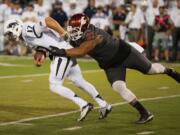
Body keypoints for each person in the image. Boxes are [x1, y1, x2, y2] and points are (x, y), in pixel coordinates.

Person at [48, 13, 180, 124]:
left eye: (74, 29)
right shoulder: (78, 34)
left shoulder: (92, 35)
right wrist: (50, 41)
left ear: (83, 28)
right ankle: (145, 113)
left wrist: (62, 52)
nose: (71, 31)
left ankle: (170, 72)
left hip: (124, 53)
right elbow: (66, 37)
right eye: (71, 28)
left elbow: (82, 50)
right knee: (118, 87)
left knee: (151, 70)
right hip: (110, 64)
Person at [3, 17, 112, 122]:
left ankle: (83, 104)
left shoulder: (27, 30)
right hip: (65, 50)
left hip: (62, 52)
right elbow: (44, 41)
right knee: (79, 81)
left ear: (16, 27)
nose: (10, 37)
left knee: (54, 85)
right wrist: (40, 53)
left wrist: (63, 33)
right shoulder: (25, 36)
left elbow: (47, 20)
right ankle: (104, 104)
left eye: (9, 33)